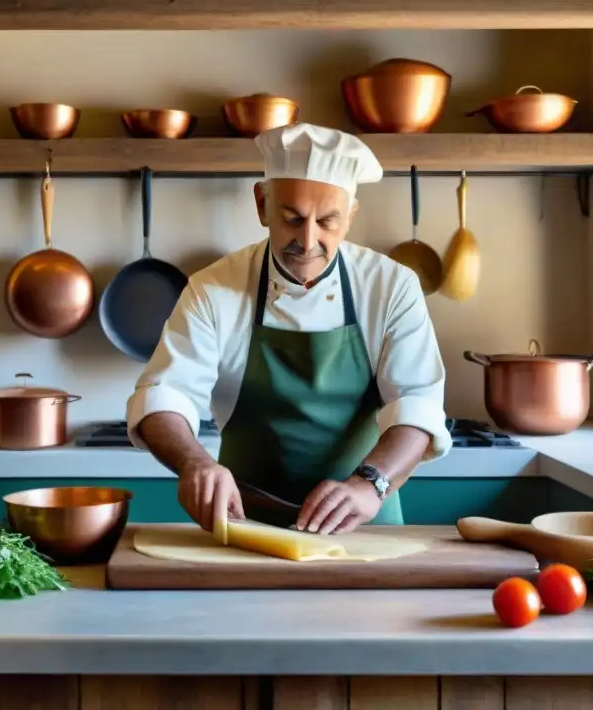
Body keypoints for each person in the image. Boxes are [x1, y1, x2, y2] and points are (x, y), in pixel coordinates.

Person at [125, 122, 450, 536]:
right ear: (262, 204)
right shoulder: (213, 289)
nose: (308, 240)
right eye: (291, 218)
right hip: (244, 524)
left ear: (350, 216)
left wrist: (372, 483)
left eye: (328, 221)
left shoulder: (391, 287)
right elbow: (164, 394)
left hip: (363, 524)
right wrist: (195, 463)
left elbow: (418, 403)